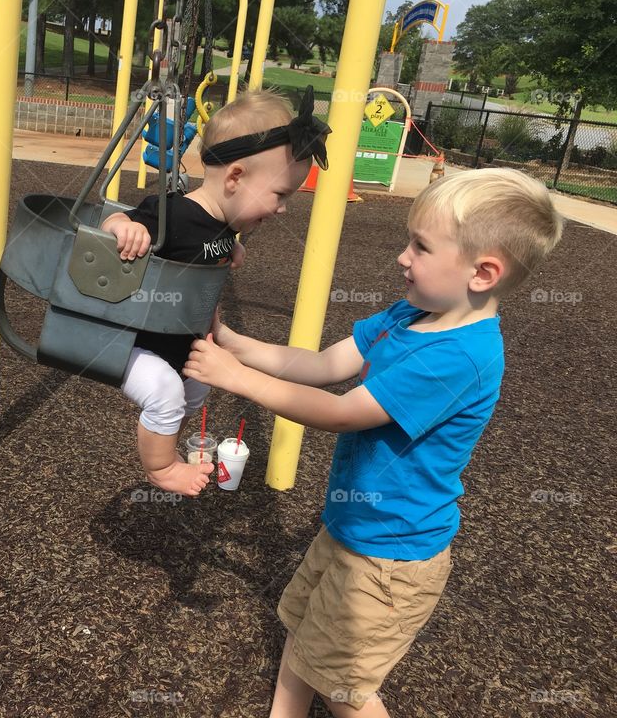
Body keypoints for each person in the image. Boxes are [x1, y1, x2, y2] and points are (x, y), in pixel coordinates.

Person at [183, 167, 564, 716]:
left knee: (345, 690)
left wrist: (238, 378)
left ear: (482, 273)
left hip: (390, 558)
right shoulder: (412, 316)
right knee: (302, 633)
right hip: (351, 529)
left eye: (421, 246)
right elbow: (321, 365)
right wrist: (231, 342)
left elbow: (341, 413)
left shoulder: (457, 357)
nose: (403, 257)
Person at [101, 88, 331, 498]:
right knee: (166, 393)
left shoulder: (225, 228)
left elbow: (208, 249)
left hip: (174, 341)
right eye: (281, 195)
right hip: (129, 342)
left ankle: (167, 435)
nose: (282, 209)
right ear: (235, 177)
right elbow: (114, 221)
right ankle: (160, 468)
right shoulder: (174, 212)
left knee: (196, 388)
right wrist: (124, 228)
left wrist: (232, 247)